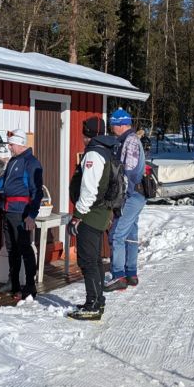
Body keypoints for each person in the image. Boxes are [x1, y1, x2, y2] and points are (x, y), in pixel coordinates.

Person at [66, 117, 118, 321]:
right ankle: (97, 299)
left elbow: (89, 189)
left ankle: (93, 305)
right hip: (100, 212)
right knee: (95, 259)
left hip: (91, 213)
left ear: (87, 134)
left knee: (88, 260)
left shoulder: (94, 154)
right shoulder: (107, 150)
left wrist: (77, 216)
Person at [0, 128, 43, 300]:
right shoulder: (13, 160)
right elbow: (5, 181)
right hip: (8, 209)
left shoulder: (31, 163)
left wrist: (32, 215)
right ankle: (13, 282)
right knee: (11, 248)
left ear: (20, 143)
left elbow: (37, 191)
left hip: (21, 212)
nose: (9, 147)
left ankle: (30, 286)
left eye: (11, 144)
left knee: (24, 248)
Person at [104, 108, 147, 292]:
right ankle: (131, 273)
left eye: (113, 124)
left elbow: (130, 172)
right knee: (130, 234)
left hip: (131, 195)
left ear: (121, 124)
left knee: (117, 235)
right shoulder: (127, 140)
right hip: (136, 194)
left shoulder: (131, 141)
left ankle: (118, 275)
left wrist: (122, 195)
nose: (111, 128)